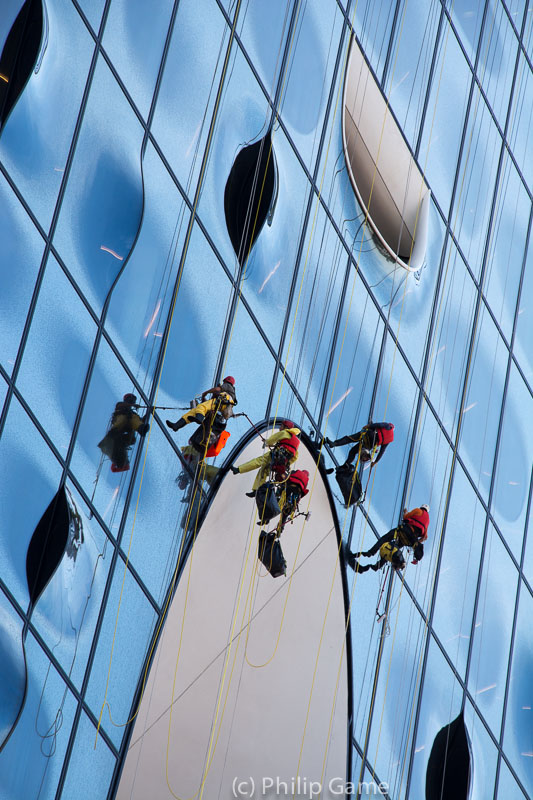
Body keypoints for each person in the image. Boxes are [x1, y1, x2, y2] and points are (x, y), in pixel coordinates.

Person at [230, 420, 300, 497]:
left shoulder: (284, 433)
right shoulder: (296, 440)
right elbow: (295, 456)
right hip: (282, 462)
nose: (280, 427)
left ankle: (238, 470)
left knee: (258, 461)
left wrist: (266, 443)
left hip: (276, 455)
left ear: (286, 427)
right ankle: (257, 491)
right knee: (263, 471)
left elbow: (271, 440)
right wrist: (286, 463)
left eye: (281, 426)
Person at [350, 504, 429, 565]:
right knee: (392, 550)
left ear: (421, 507)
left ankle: (370, 552)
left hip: (403, 531)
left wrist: (405, 512)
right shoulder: (427, 521)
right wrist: (417, 540)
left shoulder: (418, 511)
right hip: (408, 541)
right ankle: (379, 565)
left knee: (385, 538)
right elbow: (425, 537)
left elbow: (405, 517)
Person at [98, 393, 150, 472]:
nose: (131, 401)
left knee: (135, 419)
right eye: (130, 399)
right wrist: (132, 405)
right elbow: (122, 405)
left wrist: (149, 412)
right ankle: (116, 432)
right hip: (120, 427)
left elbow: (140, 420)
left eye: (132, 400)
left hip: (127, 430)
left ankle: (141, 428)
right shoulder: (120, 406)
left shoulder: (133, 414)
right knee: (123, 419)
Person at [165, 386, 236, 433]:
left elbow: (217, 389)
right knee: (194, 411)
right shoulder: (231, 395)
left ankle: (199, 418)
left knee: (202, 407)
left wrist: (205, 393)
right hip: (221, 405)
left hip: (222, 401)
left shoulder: (228, 385)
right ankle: (176, 425)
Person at [325, 421, 394, 466]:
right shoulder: (390, 439)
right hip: (370, 445)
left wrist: (369, 426)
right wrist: (375, 461)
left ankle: (334, 444)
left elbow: (379, 424)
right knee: (353, 451)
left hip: (368, 435)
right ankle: (345, 465)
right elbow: (382, 451)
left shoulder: (388, 426)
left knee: (350, 439)